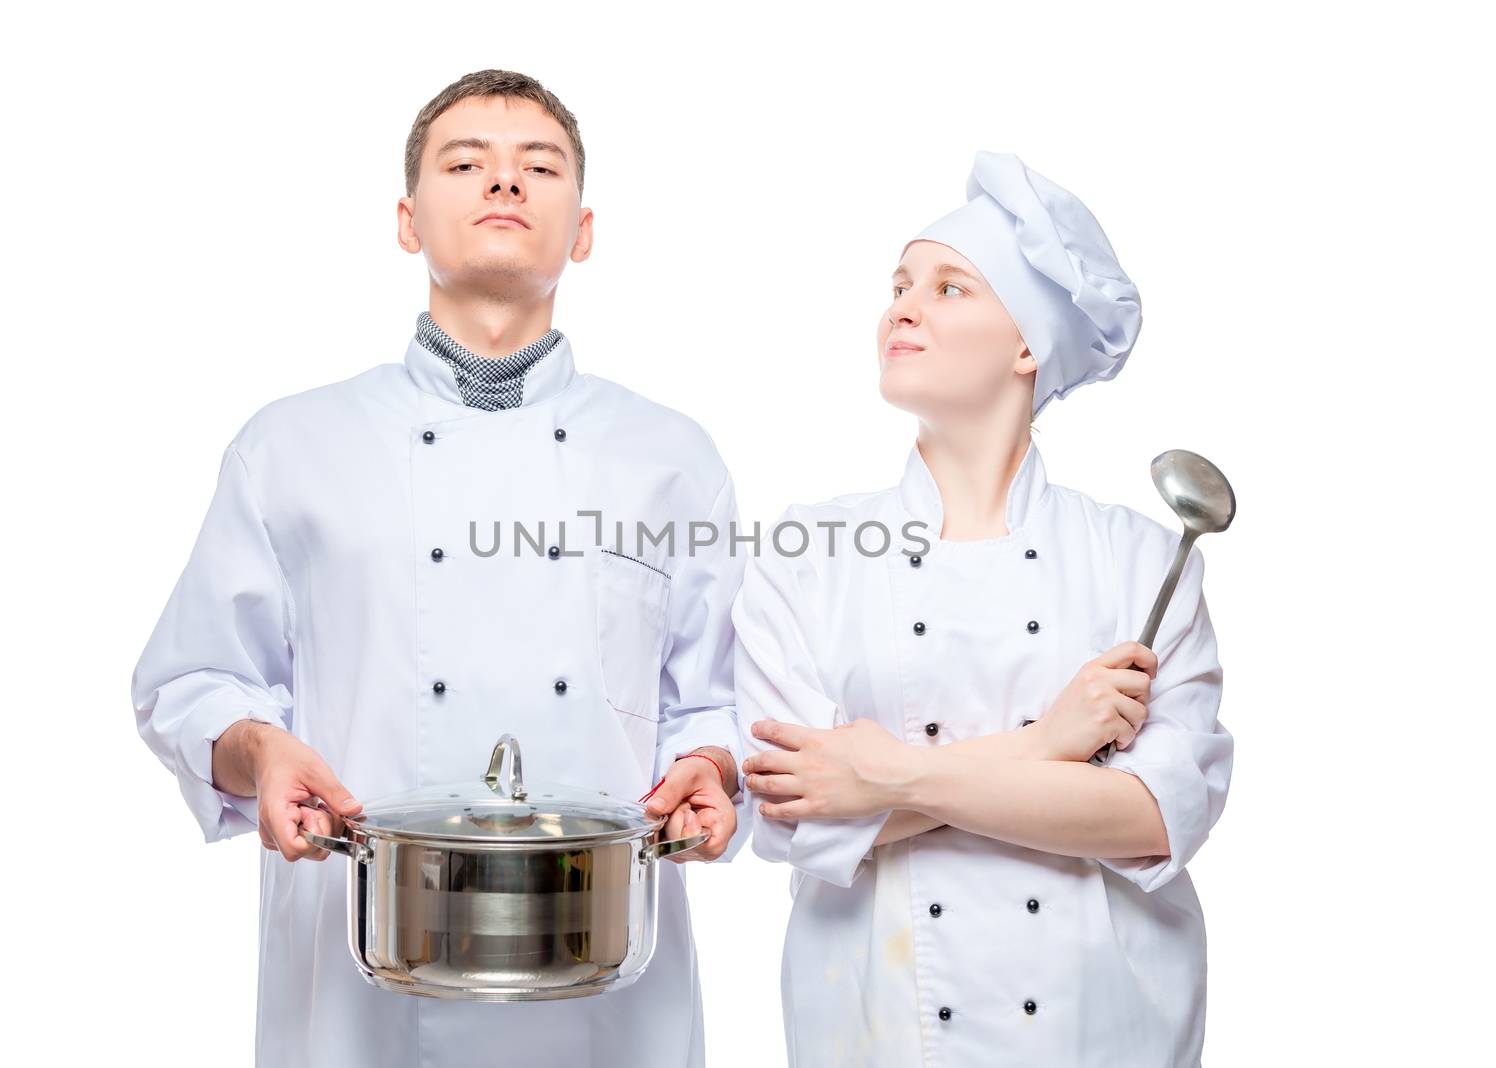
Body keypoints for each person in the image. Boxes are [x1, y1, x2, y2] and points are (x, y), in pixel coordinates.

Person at [131, 70, 748, 1068]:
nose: (504, 183)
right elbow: (190, 683)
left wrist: (712, 773)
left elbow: (718, 704)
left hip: (604, 991)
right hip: (364, 989)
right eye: (466, 164)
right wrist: (258, 752)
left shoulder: (669, 456)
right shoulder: (292, 445)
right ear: (408, 220)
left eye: (537, 167)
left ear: (581, 230)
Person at [732, 150, 1232, 1067]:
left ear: (1026, 346)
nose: (902, 308)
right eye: (899, 284)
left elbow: (1157, 817)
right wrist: (1048, 748)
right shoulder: (807, 556)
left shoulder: (1142, 559)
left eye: (951, 287)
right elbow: (796, 817)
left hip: (1102, 1023)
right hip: (878, 1024)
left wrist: (887, 778)